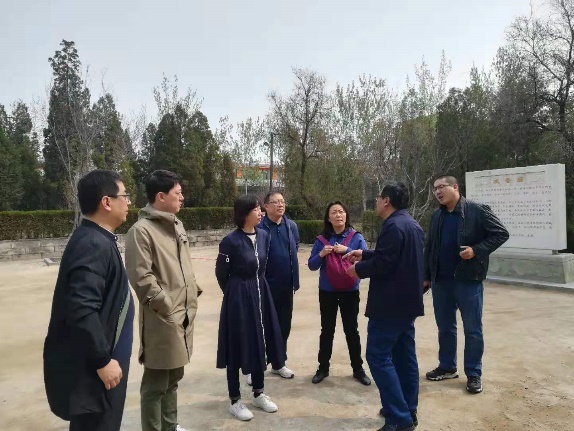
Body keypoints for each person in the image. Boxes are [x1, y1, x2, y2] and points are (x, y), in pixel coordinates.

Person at [43, 169, 134, 431]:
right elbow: (81, 309)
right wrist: (102, 361)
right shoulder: (92, 244)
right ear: (106, 202)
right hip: (97, 371)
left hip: (105, 363)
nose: (128, 202)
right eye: (124, 196)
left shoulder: (98, 238)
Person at [124, 170, 202, 431]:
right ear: (160, 196)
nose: (182, 197)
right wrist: (166, 305)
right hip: (163, 317)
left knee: (174, 377)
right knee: (156, 383)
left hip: (184, 312)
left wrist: (192, 292)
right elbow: (141, 277)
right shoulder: (141, 231)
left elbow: (184, 266)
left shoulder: (176, 225)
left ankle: (170, 426)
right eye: (177, 193)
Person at [345, 182, 424, 431]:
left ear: (386, 200)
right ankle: (407, 409)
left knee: (377, 356)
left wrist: (357, 270)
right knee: (404, 358)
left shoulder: (392, 226)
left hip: (390, 305)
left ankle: (399, 418)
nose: (377, 202)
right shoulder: (411, 224)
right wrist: (365, 254)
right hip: (407, 304)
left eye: (379, 198)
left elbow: (385, 264)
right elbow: (393, 256)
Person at [423, 175, 509, 394]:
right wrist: (426, 275)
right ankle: (447, 366)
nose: (437, 191)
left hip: (468, 280)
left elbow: (501, 233)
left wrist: (476, 250)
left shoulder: (476, 210)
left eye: (441, 187)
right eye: (434, 188)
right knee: (445, 327)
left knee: (472, 329)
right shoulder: (437, 215)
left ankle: (473, 373)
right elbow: (430, 246)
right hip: (441, 281)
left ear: (455, 187)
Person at [216, 194, 286, 422]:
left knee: (259, 342)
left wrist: (257, 290)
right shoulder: (230, 241)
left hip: (261, 294)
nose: (261, 212)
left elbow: (263, 267)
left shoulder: (264, 236)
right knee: (236, 345)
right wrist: (236, 293)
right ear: (245, 213)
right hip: (238, 298)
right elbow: (221, 274)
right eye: (256, 209)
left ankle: (258, 393)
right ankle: (235, 400)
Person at [307, 201, 371, 386]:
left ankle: (358, 369)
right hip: (327, 291)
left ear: (346, 215)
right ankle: (323, 368)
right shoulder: (321, 240)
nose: (338, 215)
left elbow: (366, 260)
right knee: (327, 330)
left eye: (341, 211)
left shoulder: (356, 237)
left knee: (351, 330)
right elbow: (312, 265)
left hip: (350, 291)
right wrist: (321, 254)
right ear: (328, 218)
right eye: (334, 212)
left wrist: (348, 250)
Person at [256, 191, 299, 380]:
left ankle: (279, 363)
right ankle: (256, 367)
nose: (280, 205)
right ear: (266, 207)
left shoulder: (291, 226)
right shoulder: (259, 227)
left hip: (286, 285)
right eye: (275, 202)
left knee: (283, 326)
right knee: (262, 327)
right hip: (265, 286)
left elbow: (295, 247)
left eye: (282, 201)